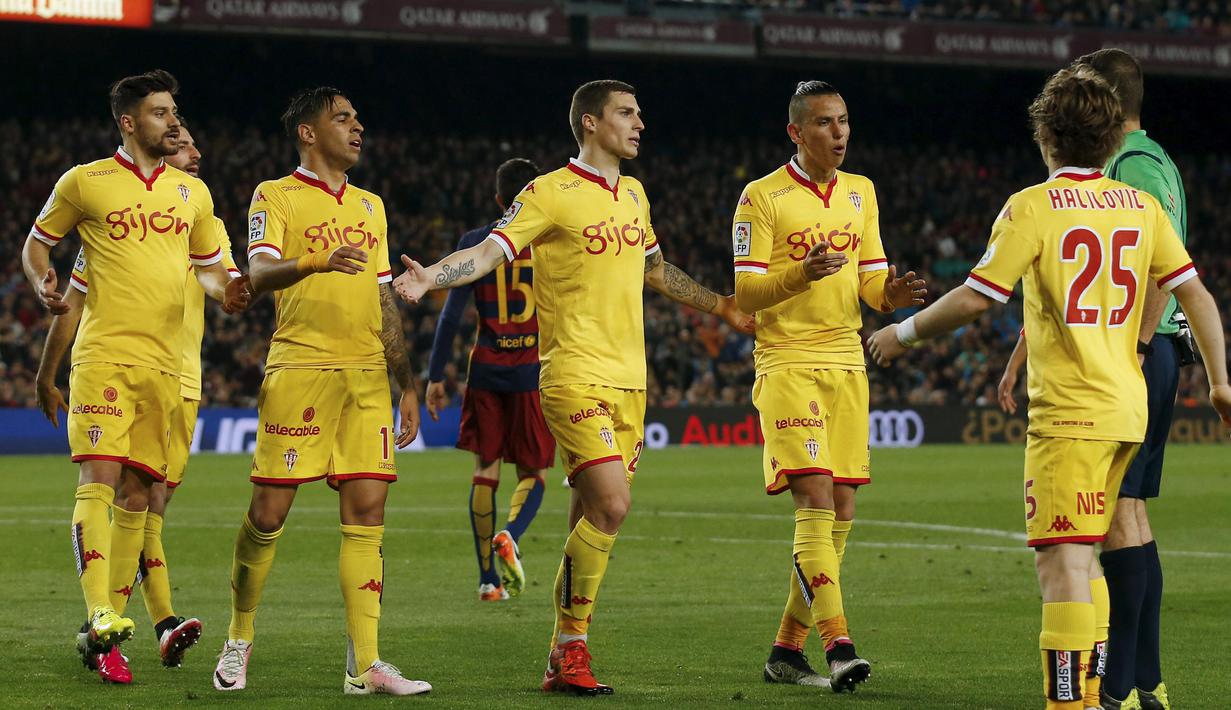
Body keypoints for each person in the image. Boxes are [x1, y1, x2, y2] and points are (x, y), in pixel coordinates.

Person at [867, 66, 1231, 710]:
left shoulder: (1032, 206)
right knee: (1088, 555)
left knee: (1061, 563)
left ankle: (1069, 703)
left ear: (1046, 136)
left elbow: (979, 298)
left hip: (1070, 414)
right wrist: (1222, 381)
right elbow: (1195, 295)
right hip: (1128, 408)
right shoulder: (1141, 208)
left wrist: (906, 333)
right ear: (1110, 138)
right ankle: (1095, 697)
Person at [394, 79, 755, 695]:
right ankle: (570, 652)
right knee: (613, 507)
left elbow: (655, 270)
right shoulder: (549, 192)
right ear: (590, 123)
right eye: (626, 112)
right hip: (571, 375)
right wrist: (434, 277)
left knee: (591, 514)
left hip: (630, 383)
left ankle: (565, 653)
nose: (640, 122)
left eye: (640, 111)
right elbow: (487, 253)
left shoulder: (635, 194)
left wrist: (720, 306)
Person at [20, 68, 247, 683]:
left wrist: (235, 290)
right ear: (128, 121)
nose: (173, 122)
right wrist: (39, 278)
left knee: (144, 498)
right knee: (100, 480)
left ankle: (112, 636)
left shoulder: (192, 197)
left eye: (175, 111)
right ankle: (102, 614)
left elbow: (213, 272)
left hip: (170, 372)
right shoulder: (85, 183)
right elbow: (39, 244)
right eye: (161, 112)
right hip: (105, 359)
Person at [211, 87, 428, 696]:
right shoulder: (274, 195)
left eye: (358, 117)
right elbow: (255, 274)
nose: (358, 126)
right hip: (301, 367)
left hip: (365, 375)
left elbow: (384, 298)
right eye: (343, 118)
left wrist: (404, 383)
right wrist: (314, 262)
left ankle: (366, 665)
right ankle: (239, 638)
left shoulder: (372, 206)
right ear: (308, 132)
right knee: (268, 513)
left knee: (367, 513)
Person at [996, 48, 1186, 710]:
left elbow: (1158, 273)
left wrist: (1133, 343)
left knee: (1105, 530)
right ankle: (1137, 683)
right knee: (1121, 523)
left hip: (1125, 358)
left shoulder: (1129, 167)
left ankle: (1121, 685)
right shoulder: (1152, 161)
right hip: (1127, 357)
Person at [731, 79, 925, 693]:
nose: (838, 133)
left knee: (841, 507)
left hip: (846, 360)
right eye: (823, 123)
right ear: (796, 132)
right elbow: (746, 292)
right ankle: (839, 646)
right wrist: (800, 273)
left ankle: (786, 651)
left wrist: (889, 297)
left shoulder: (861, 193)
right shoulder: (760, 199)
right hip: (786, 360)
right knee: (814, 499)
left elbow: (871, 281)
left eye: (843, 121)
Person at [424, 157, 554, 602]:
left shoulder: (477, 242)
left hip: (485, 370)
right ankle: (512, 534)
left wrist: (435, 376)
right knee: (534, 472)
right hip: (533, 374)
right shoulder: (548, 240)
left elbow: (450, 317)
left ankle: (487, 580)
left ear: (499, 199)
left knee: (484, 471)